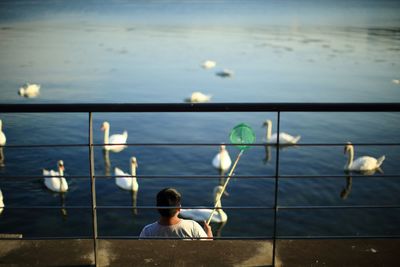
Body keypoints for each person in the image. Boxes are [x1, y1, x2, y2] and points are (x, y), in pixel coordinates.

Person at [139, 187, 213, 240]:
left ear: (157, 208)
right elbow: (208, 248)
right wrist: (208, 233)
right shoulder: (193, 226)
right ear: (179, 208)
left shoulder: (147, 231)